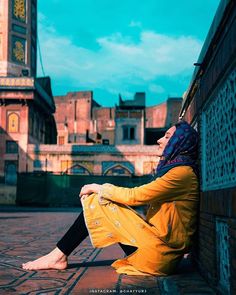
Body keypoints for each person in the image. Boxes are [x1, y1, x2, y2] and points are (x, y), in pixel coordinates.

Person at [22, 120, 199, 276]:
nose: (159, 140)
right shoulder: (178, 171)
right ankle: (58, 255)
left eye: (167, 137)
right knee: (101, 199)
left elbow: (136, 196)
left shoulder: (181, 174)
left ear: (179, 142)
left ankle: (57, 256)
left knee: (98, 199)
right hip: (158, 249)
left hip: (159, 255)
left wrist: (98, 187)